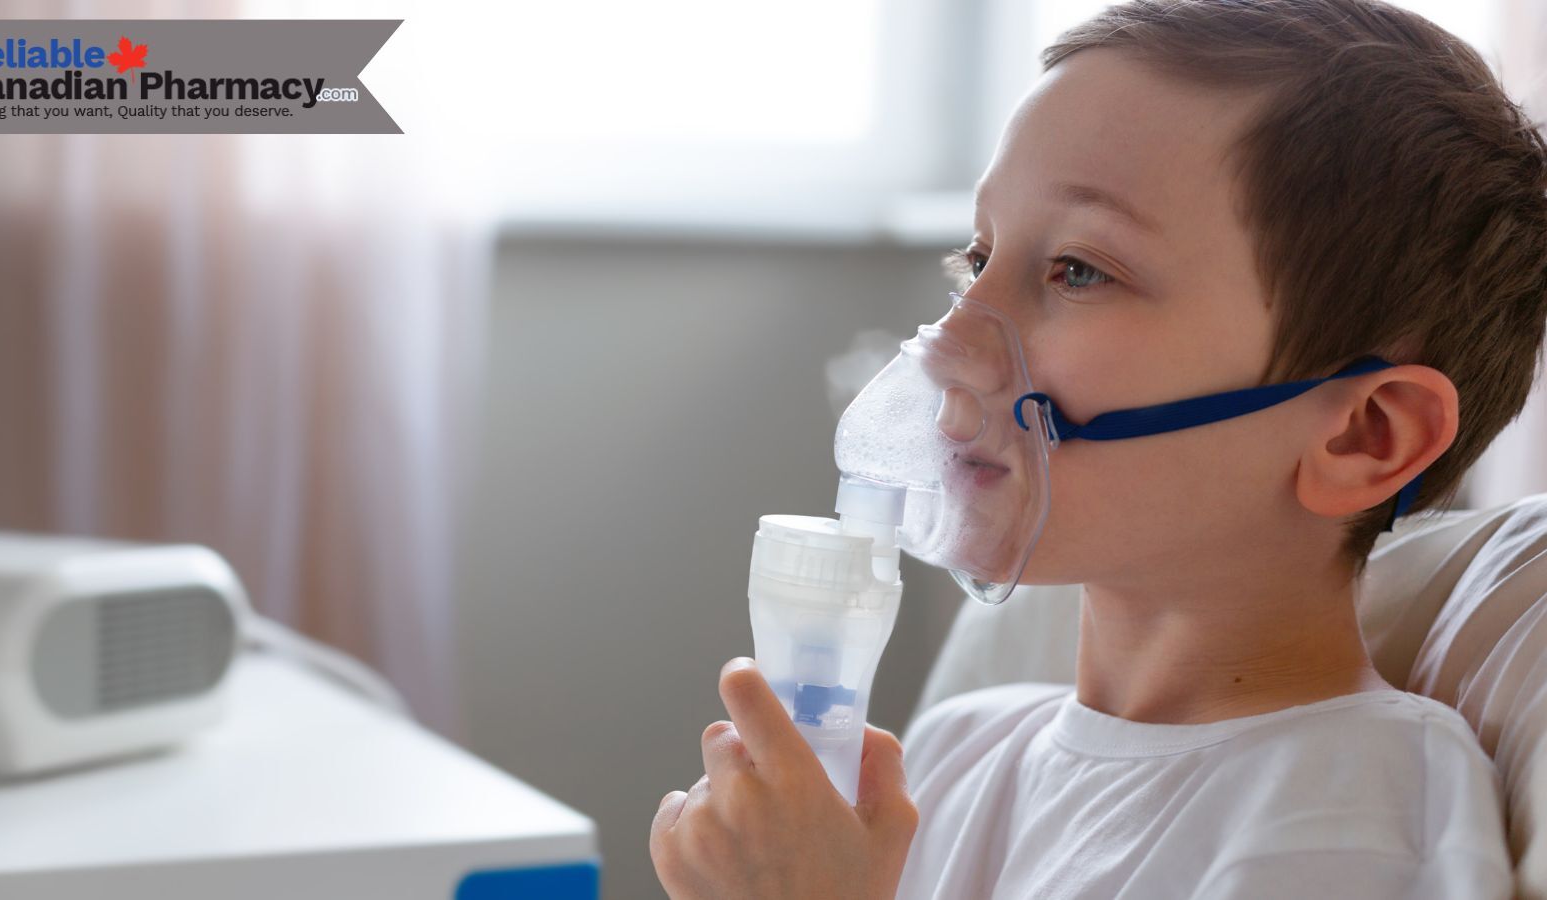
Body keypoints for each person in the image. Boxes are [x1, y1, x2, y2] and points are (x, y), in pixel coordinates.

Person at [649, 1, 1547, 896]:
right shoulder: (957, 760)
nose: (956, 342)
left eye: (1079, 269)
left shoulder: (1349, 807)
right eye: (978, 256)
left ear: (1364, 435)